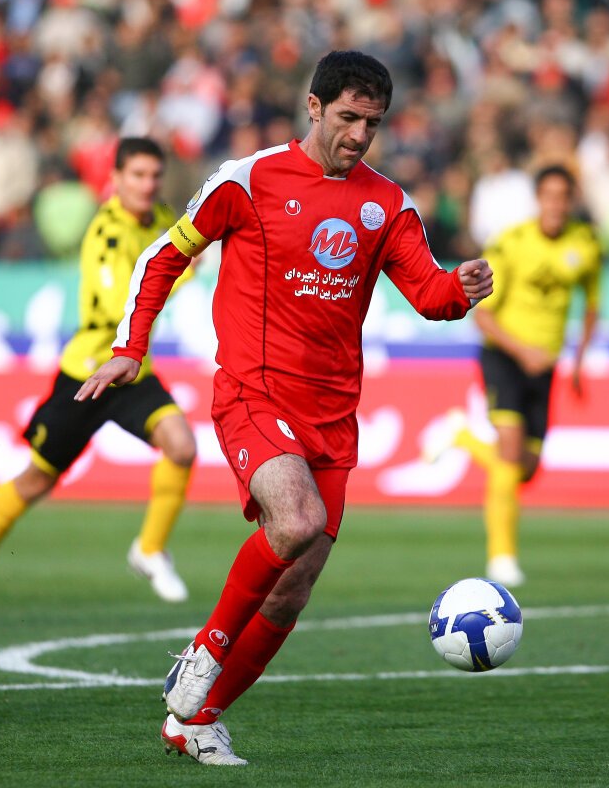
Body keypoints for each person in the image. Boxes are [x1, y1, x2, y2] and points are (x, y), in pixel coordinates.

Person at [76, 51, 493, 766]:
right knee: (296, 521)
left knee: (292, 592)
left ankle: (196, 720)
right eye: (348, 117)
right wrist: (130, 346)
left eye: (373, 123)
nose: (360, 135)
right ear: (314, 106)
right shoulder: (248, 180)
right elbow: (162, 257)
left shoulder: (388, 204)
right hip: (255, 392)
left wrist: (462, 287)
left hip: (334, 413)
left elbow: (428, 295)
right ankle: (205, 650)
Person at [0, 137, 197, 616]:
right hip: (88, 375)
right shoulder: (105, 234)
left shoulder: (163, 218)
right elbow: (122, 305)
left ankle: (149, 550)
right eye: (137, 175)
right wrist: (186, 274)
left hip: (132, 372)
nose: (147, 185)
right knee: (37, 480)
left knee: (182, 446)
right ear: (115, 179)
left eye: (154, 175)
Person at [425, 165, 601, 587]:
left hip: (545, 367)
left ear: (571, 200)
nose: (556, 205)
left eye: (563, 196)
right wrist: (524, 352)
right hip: (504, 357)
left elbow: (592, 305)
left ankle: (462, 436)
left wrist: (578, 362)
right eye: (549, 196)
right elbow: (483, 317)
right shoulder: (511, 243)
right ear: (538, 199)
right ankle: (502, 558)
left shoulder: (586, 244)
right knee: (509, 451)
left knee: (526, 468)